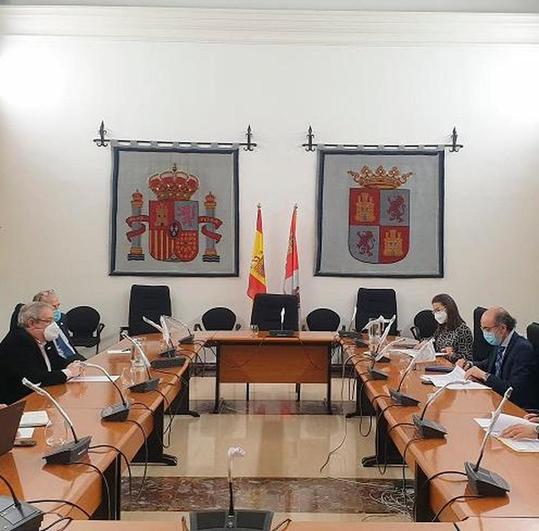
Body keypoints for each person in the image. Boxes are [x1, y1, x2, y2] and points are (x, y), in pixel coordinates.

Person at [0, 302, 83, 404]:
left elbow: (56, 361)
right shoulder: (18, 341)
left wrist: (70, 365)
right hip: (18, 401)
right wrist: (69, 372)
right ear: (31, 323)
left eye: (53, 320)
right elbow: (35, 379)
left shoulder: (43, 338)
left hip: (41, 395)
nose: (54, 325)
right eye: (49, 321)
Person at [457, 307, 539, 410]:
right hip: (496, 399)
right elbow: (489, 364)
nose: (484, 333)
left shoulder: (523, 349)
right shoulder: (502, 341)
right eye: (482, 329)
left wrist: (484, 375)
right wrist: (469, 364)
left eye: (487, 329)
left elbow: (513, 390)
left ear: (502, 328)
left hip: (516, 407)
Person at [33, 289, 84, 361]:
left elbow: (68, 342)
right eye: (53, 306)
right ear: (40, 309)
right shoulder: (38, 328)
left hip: (74, 357)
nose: (57, 310)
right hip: (58, 363)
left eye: (58, 305)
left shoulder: (62, 318)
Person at [431, 293, 473, 362]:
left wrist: (452, 354)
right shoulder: (443, 327)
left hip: (453, 367)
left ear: (449, 309)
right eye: (434, 311)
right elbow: (434, 339)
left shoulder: (463, 330)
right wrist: (425, 343)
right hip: (440, 362)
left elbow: (467, 358)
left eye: (438, 310)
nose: (436, 314)